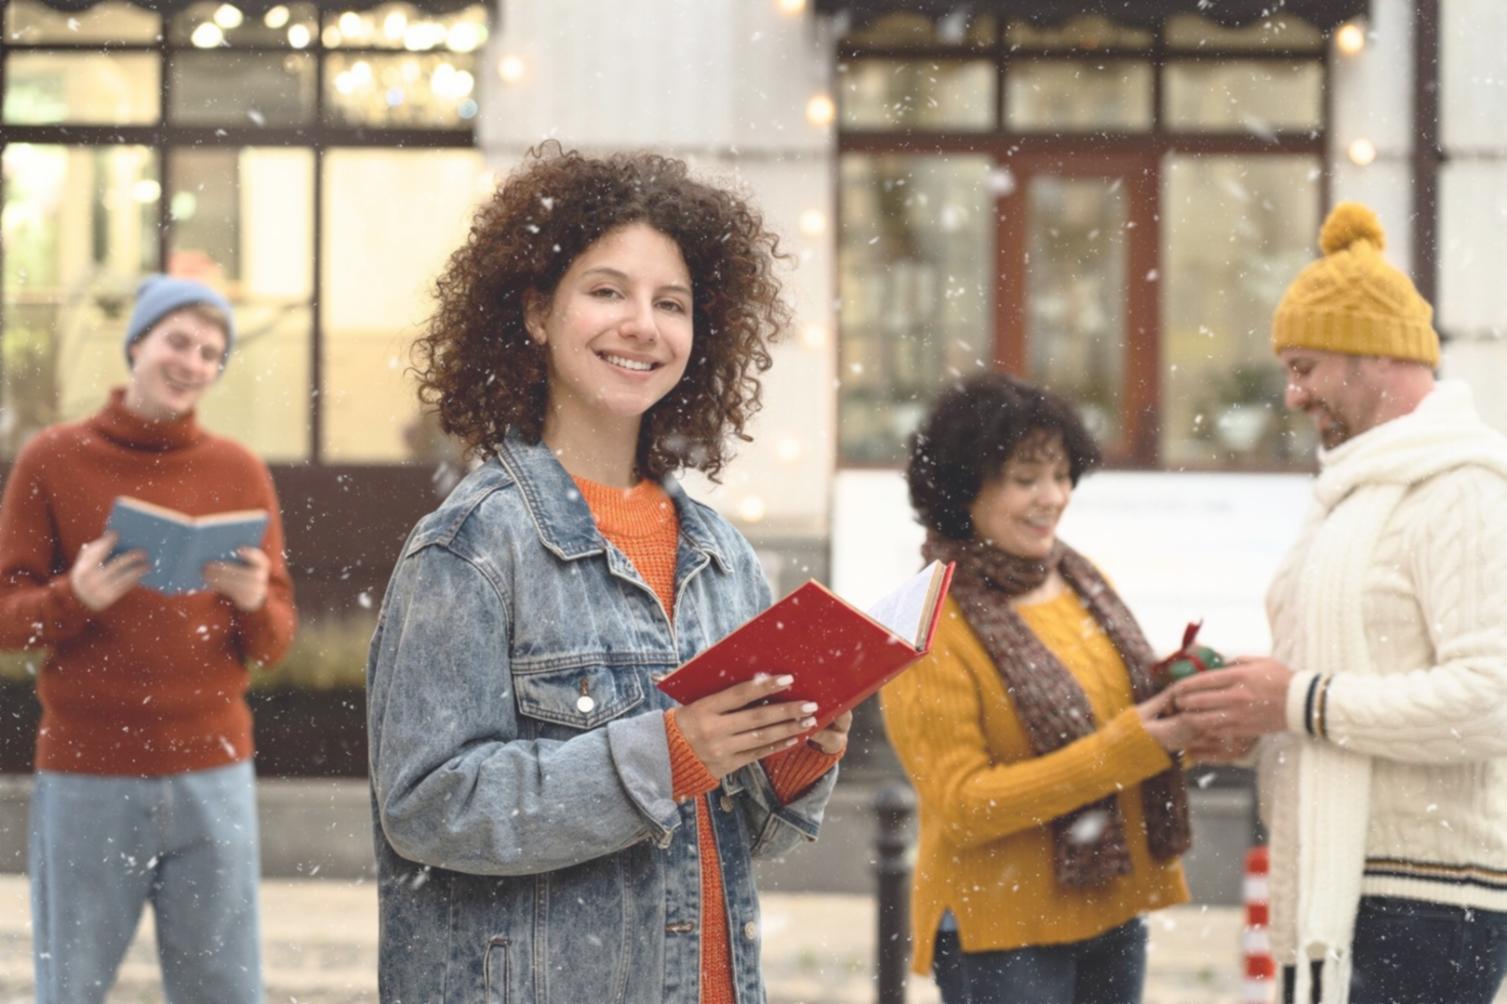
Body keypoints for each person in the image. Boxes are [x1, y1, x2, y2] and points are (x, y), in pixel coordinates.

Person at [365, 144, 849, 1004]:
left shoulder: (722, 555)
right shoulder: (472, 547)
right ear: (534, 315)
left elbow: (733, 838)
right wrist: (669, 754)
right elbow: (428, 808)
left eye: (672, 303)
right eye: (606, 291)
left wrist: (795, 758)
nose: (642, 325)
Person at [1172, 202, 1507, 1004]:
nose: (1291, 395)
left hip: (1429, 893)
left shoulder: (1460, 491)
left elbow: (1492, 698)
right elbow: (1329, 695)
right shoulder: (1354, 497)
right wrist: (1249, 718)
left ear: (1374, 356)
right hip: (1348, 882)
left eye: (1304, 366)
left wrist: (1293, 700)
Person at [0, 274, 297, 1003]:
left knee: (225, 990)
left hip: (214, 773)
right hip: (87, 773)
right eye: (178, 341)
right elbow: (7, 616)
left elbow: (275, 642)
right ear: (138, 342)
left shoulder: (239, 471)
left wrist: (256, 602)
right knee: (69, 986)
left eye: (210, 352)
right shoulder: (52, 458)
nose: (192, 361)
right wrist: (74, 599)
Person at [881, 373, 1197, 1004]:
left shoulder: (1082, 579)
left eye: (1061, 475)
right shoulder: (929, 622)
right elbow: (964, 804)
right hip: (1002, 933)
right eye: (1025, 479)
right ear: (963, 490)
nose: (1052, 497)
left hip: (1109, 904)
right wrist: (1131, 746)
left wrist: (1185, 697)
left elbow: (1113, 709)